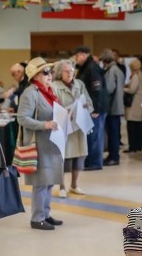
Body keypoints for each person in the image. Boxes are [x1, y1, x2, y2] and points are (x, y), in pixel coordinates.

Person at [17, 57, 64, 231]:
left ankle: (45, 213)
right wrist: (44, 125)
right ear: (34, 75)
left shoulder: (48, 91)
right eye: (45, 72)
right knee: (40, 183)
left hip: (50, 144)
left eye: (50, 71)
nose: (49, 75)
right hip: (38, 144)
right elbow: (22, 118)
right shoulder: (30, 92)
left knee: (49, 181)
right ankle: (37, 218)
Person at [52, 59, 93, 197]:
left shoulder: (79, 84)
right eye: (66, 71)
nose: (70, 74)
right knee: (63, 158)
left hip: (79, 125)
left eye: (71, 71)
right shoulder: (54, 86)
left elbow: (89, 102)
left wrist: (87, 106)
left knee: (79, 156)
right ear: (59, 73)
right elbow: (52, 107)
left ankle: (74, 185)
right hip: (64, 126)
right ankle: (62, 186)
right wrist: (64, 113)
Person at [73, 45, 108, 170]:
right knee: (91, 135)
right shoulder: (86, 68)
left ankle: (95, 162)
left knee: (95, 136)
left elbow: (97, 89)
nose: (76, 59)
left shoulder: (92, 68)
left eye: (77, 56)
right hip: (89, 107)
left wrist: (96, 109)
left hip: (95, 109)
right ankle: (90, 161)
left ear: (83, 55)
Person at [101, 48, 126, 166]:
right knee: (114, 132)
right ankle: (113, 155)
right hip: (117, 105)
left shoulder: (111, 71)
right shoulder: (118, 70)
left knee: (113, 133)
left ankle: (114, 157)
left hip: (113, 107)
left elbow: (110, 88)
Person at [124, 57, 142, 153]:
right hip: (141, 103)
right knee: (139, 126)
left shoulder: (135, 76)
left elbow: (132, 90)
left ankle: (133, 146)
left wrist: (123, 89)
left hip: (134, 104)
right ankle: (140, 145)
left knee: (132, 127)